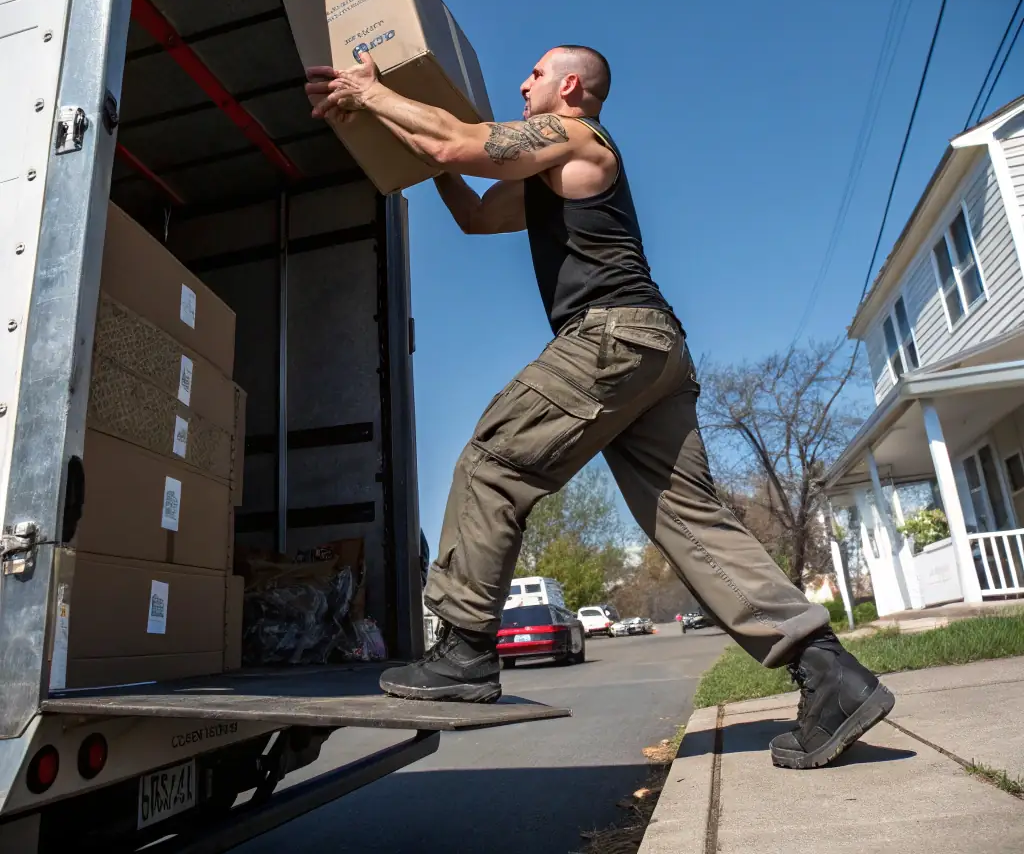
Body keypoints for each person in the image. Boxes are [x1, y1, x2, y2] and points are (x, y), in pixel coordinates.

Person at [304, 46, 894, 769]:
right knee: (687, 519)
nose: (524, 83)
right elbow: (475, 210)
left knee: (493, 463)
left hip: (614, 335)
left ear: (571, 86)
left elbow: (453, 140)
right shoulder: (550, 169)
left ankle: (461, 652)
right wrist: (409, 158)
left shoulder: (574, 136)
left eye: (536, 73)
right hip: (654, 351)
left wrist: (371, 94)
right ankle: (831, 674)